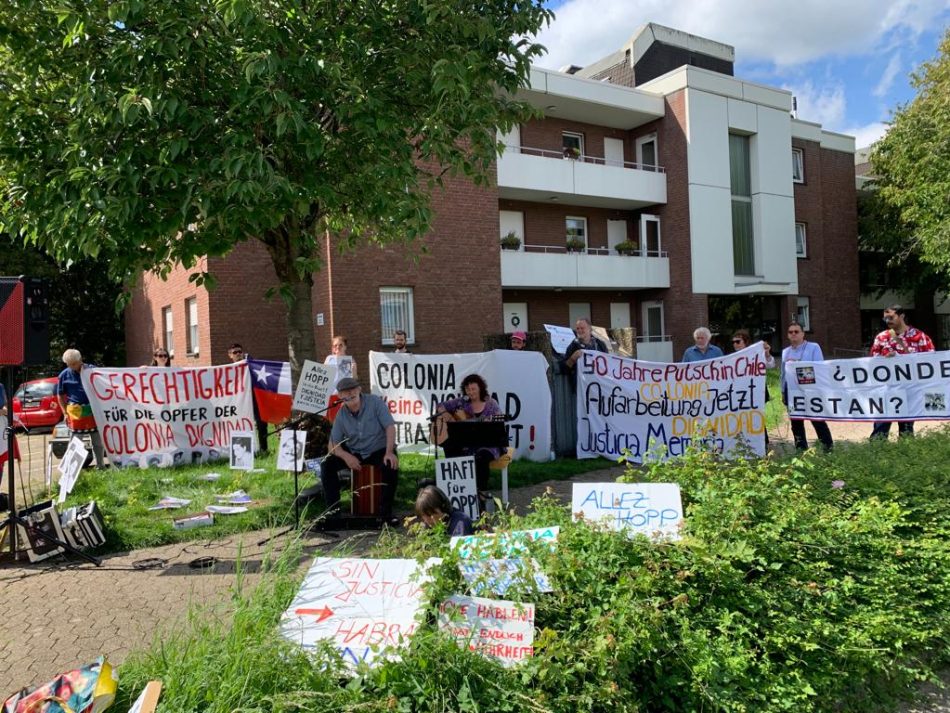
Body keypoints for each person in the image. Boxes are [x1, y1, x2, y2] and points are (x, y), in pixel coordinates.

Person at [319, 376, 399, 518]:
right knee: (327, 464)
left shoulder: (375, 402)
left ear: (359, 389)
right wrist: (346, 456)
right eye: (345, 391)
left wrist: (389, 452)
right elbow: (332, 443)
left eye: (353, 389)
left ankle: (385, 513)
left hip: (378, 449)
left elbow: (390, 427)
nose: (350, 393)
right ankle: (333, 514)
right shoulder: (341, 414)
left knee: (390, 464)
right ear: (340, 396)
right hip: (355, 451)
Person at [869, 305, 935, 439]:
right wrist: (883, 360)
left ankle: (906, 457)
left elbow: (931, 362)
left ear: (902, 316)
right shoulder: (882, 338)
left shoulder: (919, 337)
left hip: (910, 391)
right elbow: (873, 362)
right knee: (880, 429)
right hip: (886, 391)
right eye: (885, 318)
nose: (887, 321)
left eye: (891, 317)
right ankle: (876, 456)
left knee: (906, 430)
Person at [434, 374, 502, 497]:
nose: (470, 392)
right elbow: (440, 406)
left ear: (480, 388)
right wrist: (449, 418)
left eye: (473, 389)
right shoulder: (461, 402)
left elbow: (499, 424)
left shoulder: (491, 404)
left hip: (487, 444)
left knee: (481, 457)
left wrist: (489, 423)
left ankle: (481, 493)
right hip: (466, 444)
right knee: (449, 445)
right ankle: (459, 489)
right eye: (467, 389)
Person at [780, 322, 833, 451]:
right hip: (791, 391)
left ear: (803, 334)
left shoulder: (813, 347)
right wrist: (782, 391)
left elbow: (819, 367)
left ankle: (828, 448)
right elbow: (783, 374)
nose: (793, 334)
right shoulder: (785, 352)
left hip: (810, 390)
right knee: (796, 422)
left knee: (817, 420)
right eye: (790, 332)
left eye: (796, 331)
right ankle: (801, 450)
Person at [56, 349, 106, 468]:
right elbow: (60, 395)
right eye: (69, 364)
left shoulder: (92, 370)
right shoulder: (64, 375)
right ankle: (72, 469)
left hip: (93, 409)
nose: (71, 367)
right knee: (75, 441)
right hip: (75, 412)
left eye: (73, 363)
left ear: (80, 360)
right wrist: (64, 412)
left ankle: (100, 465)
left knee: (97, 441)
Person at [733, 329, 774, 449]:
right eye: (733, 342)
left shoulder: (756, 354)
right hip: (741, 394)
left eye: (738, 341)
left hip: (756, 392)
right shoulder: (732, 358)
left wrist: (766, 353)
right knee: (742, 417)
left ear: (745, 342)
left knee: (757, 416)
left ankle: (763, 443)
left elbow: (770, 364)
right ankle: (745, 442)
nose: (735, 344)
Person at [227, 342, 269, 453]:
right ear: (230, 355)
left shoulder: (250, 364)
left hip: (254, 398)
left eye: (240, 351)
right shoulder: (228, 370)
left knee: (261, 423)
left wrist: (249, 360)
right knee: (240, 424)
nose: (238, 354)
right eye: (235, 352)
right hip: (239, 401)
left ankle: (263, 449)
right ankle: (242, 451)